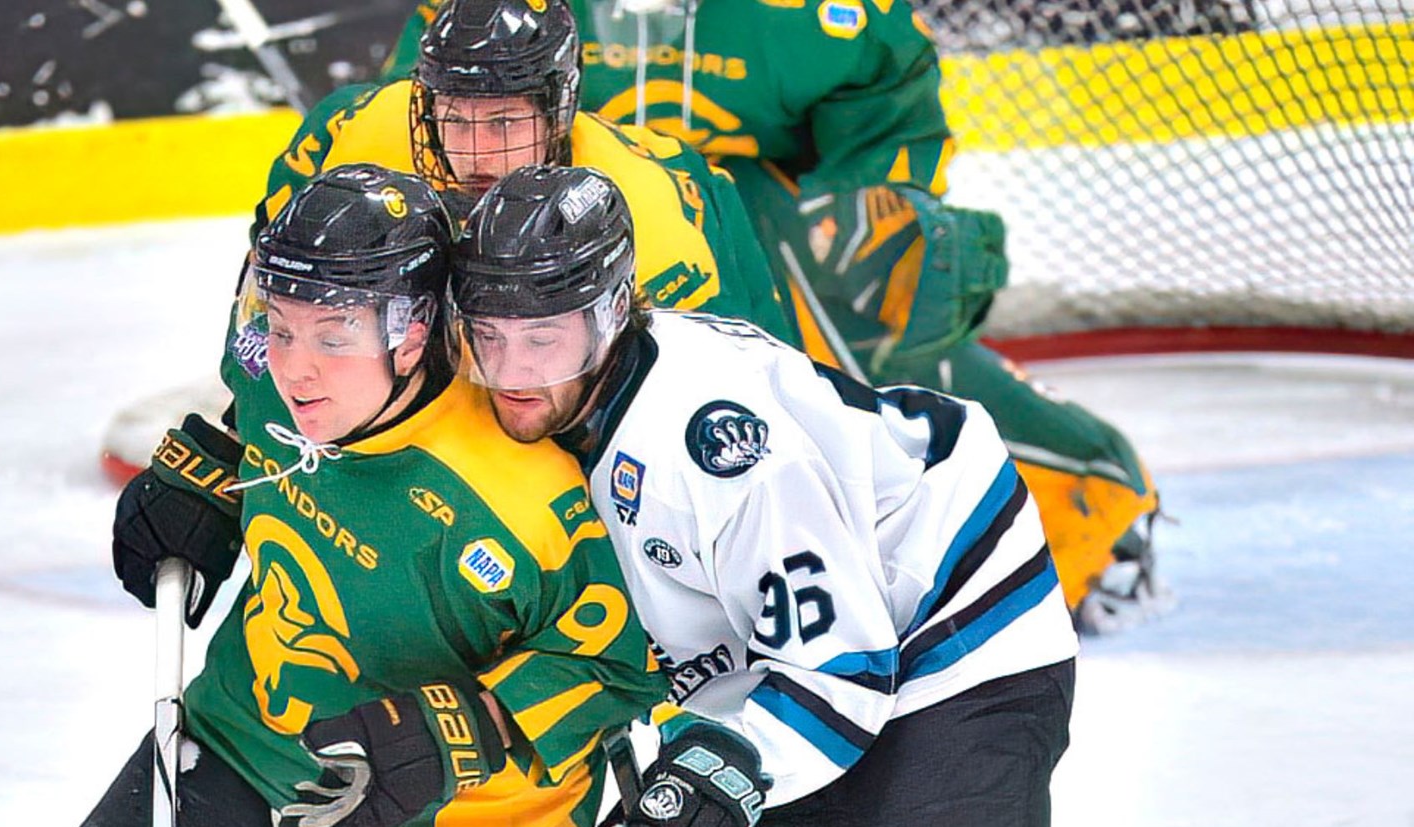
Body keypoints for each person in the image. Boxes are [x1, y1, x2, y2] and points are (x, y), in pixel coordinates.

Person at [387, 0, 1165, 632]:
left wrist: (869, 215)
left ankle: (1082, 492)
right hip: (546, 248)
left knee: (844, 333)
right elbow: (418, 110)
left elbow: (885, 92)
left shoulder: (811, 19)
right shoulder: (498, 20)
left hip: (750, 239)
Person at [450, 165, 1079, 827]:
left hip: (953, 634)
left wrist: (712, 784)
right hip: (790, 667)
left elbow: (843, 672)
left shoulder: (714, 449)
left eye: (543, 339)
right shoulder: (555, 406)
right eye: (487, 337)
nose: (510, 370)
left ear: (613, 311)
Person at [42, 164, 669, 827]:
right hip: (237, 743)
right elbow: (248, 421)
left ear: (411, 336)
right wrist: (214, 474)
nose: (294, 371)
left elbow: (624, 663)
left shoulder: (529, 493)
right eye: (281, 327)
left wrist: (472, 725)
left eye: (334, 337)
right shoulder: (264, 374)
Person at [256, 0, 795, 341]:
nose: (476, 154)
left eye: (504, 122)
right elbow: (266, 310)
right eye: (454, 119)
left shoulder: (657, 216)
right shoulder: (346, 133)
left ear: (555, 113)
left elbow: (732, 387)